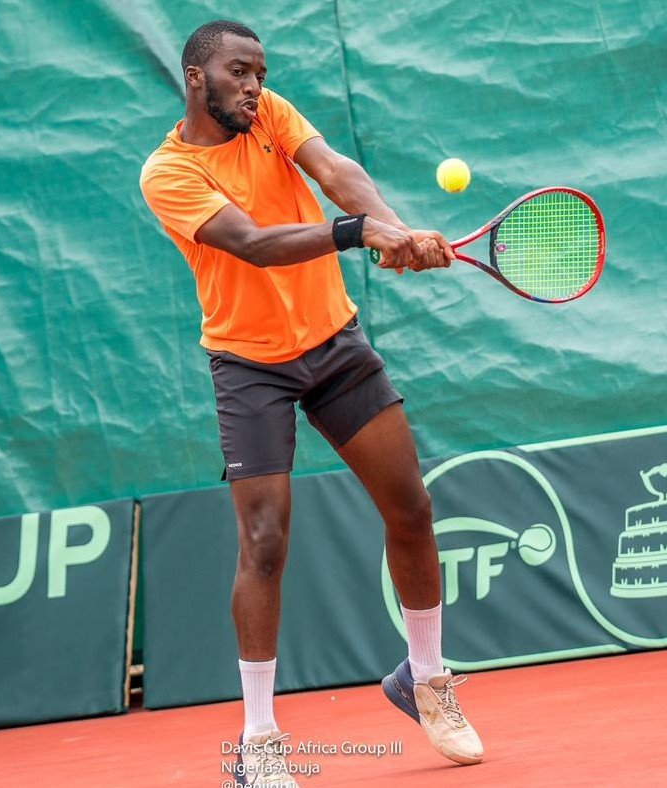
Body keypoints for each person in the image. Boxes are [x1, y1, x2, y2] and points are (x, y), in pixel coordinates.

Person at [140, 19, 483, 786]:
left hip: (333, 342)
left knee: (411, 507)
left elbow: (333, 169)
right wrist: (363, 235)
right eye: (238, 71)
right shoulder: (165, 172)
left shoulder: (271, 116)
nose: (253, 85)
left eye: (259, 71)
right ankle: (258, 742)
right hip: (249, 363)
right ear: (197, 77)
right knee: (263, 541)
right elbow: (255, 242)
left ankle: (424, 678)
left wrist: (391, 226)